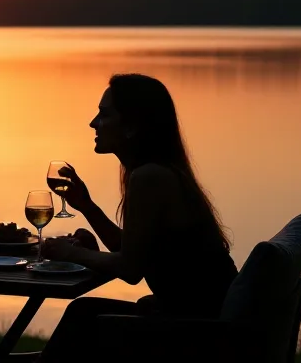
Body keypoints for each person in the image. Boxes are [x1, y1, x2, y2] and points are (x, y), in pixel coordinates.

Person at [38, 73, 238, 361]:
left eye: (104, 115)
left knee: (82, 318)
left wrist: (69, 252)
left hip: (197, 332)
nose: (93, 123)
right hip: (196, 318)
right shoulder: (156, 171)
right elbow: (135, 251)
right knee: (82, 315)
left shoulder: (150, 176)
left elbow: (131, 269)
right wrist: (87, 206)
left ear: (131, 127)